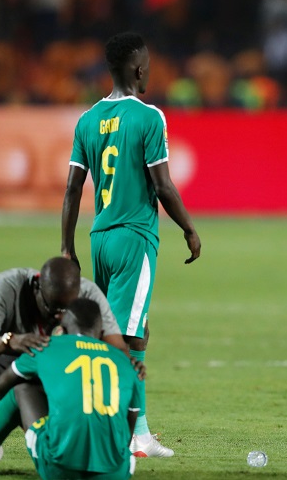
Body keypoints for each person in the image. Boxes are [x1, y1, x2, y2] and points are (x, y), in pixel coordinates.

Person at [61, 31, 201, 458]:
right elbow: (163, 185)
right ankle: (130, 431)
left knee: (128, 333)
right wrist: (189, 228)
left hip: (100, 237)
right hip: (134, 238)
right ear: (138, 69)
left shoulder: (87, 120)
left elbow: (71, 190)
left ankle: (124, 427)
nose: (149, 72)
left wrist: (67, 248)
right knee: (125, 337)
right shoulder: (149, 117)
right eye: (148, 66)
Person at [0, 256, 128, 446]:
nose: (60, 316)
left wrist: (130, 363)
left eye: (66, 310)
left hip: (65, 371)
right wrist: (10, 341)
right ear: (37, 286)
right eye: (53, 309)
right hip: (14, 365)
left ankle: (82, 442)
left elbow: (118, 350)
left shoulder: (89, 293)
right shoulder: (7, 286)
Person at [0, 297, 142, 479]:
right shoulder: (126, 362)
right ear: (102, 332)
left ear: (62, 330)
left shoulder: (45, 346)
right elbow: (129, 423)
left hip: (59, 469)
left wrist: (24, 420)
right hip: (116, 472)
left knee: (20, 390)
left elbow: (1, 385)